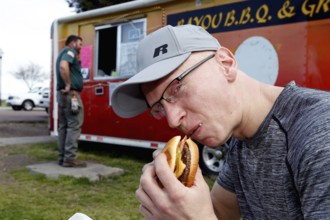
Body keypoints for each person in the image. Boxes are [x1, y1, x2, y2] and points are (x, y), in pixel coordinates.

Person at [111, 24, 330, 219]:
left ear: (225, 64)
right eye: (159, 108)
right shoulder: (241, 139)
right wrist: (171, 204)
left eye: (177, 88)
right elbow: (220, 211)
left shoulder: (320, 131)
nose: (172, 119)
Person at [56, 35, 86, 168]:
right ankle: (69, 159)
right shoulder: (70, 52)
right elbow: (63, 66)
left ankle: (62, 157)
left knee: (64, 126)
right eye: (80, 44)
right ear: (73, 43)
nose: (81, 47)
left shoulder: (61, 53)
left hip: (62, 95)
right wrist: (68, 84)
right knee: (74, 125)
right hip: (71, 94)